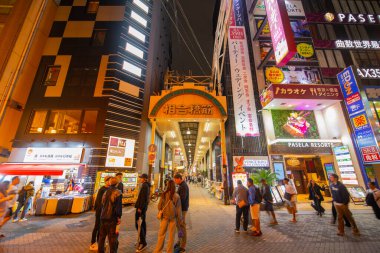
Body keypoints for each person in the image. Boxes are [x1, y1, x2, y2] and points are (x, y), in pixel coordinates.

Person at [153, 180, 182, 253]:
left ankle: (158, 251)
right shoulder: (176, 196)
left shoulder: (163, 194)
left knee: (161, 235)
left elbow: (159, 206)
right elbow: (179, 210)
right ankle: (169, 251)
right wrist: (180, 220)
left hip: (164, 218)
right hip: (173, 218)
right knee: (171, 237)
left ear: (167, 186)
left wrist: (161, 210)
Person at [98, 177, 122, 253]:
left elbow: (102, 203)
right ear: (117, 183)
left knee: (101, 237)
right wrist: (118, 217)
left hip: (103, 216)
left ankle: (100, 251)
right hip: (112, 218)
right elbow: (118, 207)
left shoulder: (105, 192)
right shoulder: (118, 192)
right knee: (112, 238)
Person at [90, 176, 111, 251]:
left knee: (101, 227)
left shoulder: (109, 189)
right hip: (100, 210)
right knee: (97, 226)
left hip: (104, 211)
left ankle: (99, 242)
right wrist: (99, 209)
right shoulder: (102, 189)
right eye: (109, 181)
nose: (110, 182)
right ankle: (93, 242)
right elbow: (98, 201)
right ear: (106, 181)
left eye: (110, 181)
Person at [135, 173, 151, 252]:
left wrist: (140, 207)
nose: (140, 179)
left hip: (141, 208)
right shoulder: (146, 185)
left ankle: (143, 242)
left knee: (138, 224)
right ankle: (142, 239)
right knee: (142, 223)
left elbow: (143, 198)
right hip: (142, 208)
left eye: (141, 178)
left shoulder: (145, 186)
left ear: (144, 178)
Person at [173, 173, 189, 253]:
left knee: (182, 226)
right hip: (180, 209)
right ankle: (179, 242)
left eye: (175, 179)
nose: (175, 181)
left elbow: (182, 199)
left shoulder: (183, 186)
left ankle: (183, 246)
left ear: (179, 178)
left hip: (182, 209)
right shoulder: (181, 185)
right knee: (179, 226)